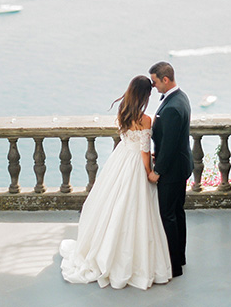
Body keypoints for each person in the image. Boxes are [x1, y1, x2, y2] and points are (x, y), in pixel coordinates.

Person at [59, 76, 172, 290]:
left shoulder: (124, 112)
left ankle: (105, 253)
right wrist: (149, 172)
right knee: (135, 210)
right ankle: (130, 261)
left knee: (112, 205)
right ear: (145, 95)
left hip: (120, 160)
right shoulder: (145, 119)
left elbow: (129, 141)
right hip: (135, 165)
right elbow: (144, 151)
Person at [147, 61, 193, 278]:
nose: (153, 86)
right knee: (177, 213)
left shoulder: (173, 107)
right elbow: (170, 139)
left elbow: (171, 144)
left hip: (172, 171)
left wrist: (158, 170)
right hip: (180, 166)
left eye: (155, 82)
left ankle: (173, 266)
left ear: (165, 79)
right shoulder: (180, 97)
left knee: (168, 215)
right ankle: (179, 258)